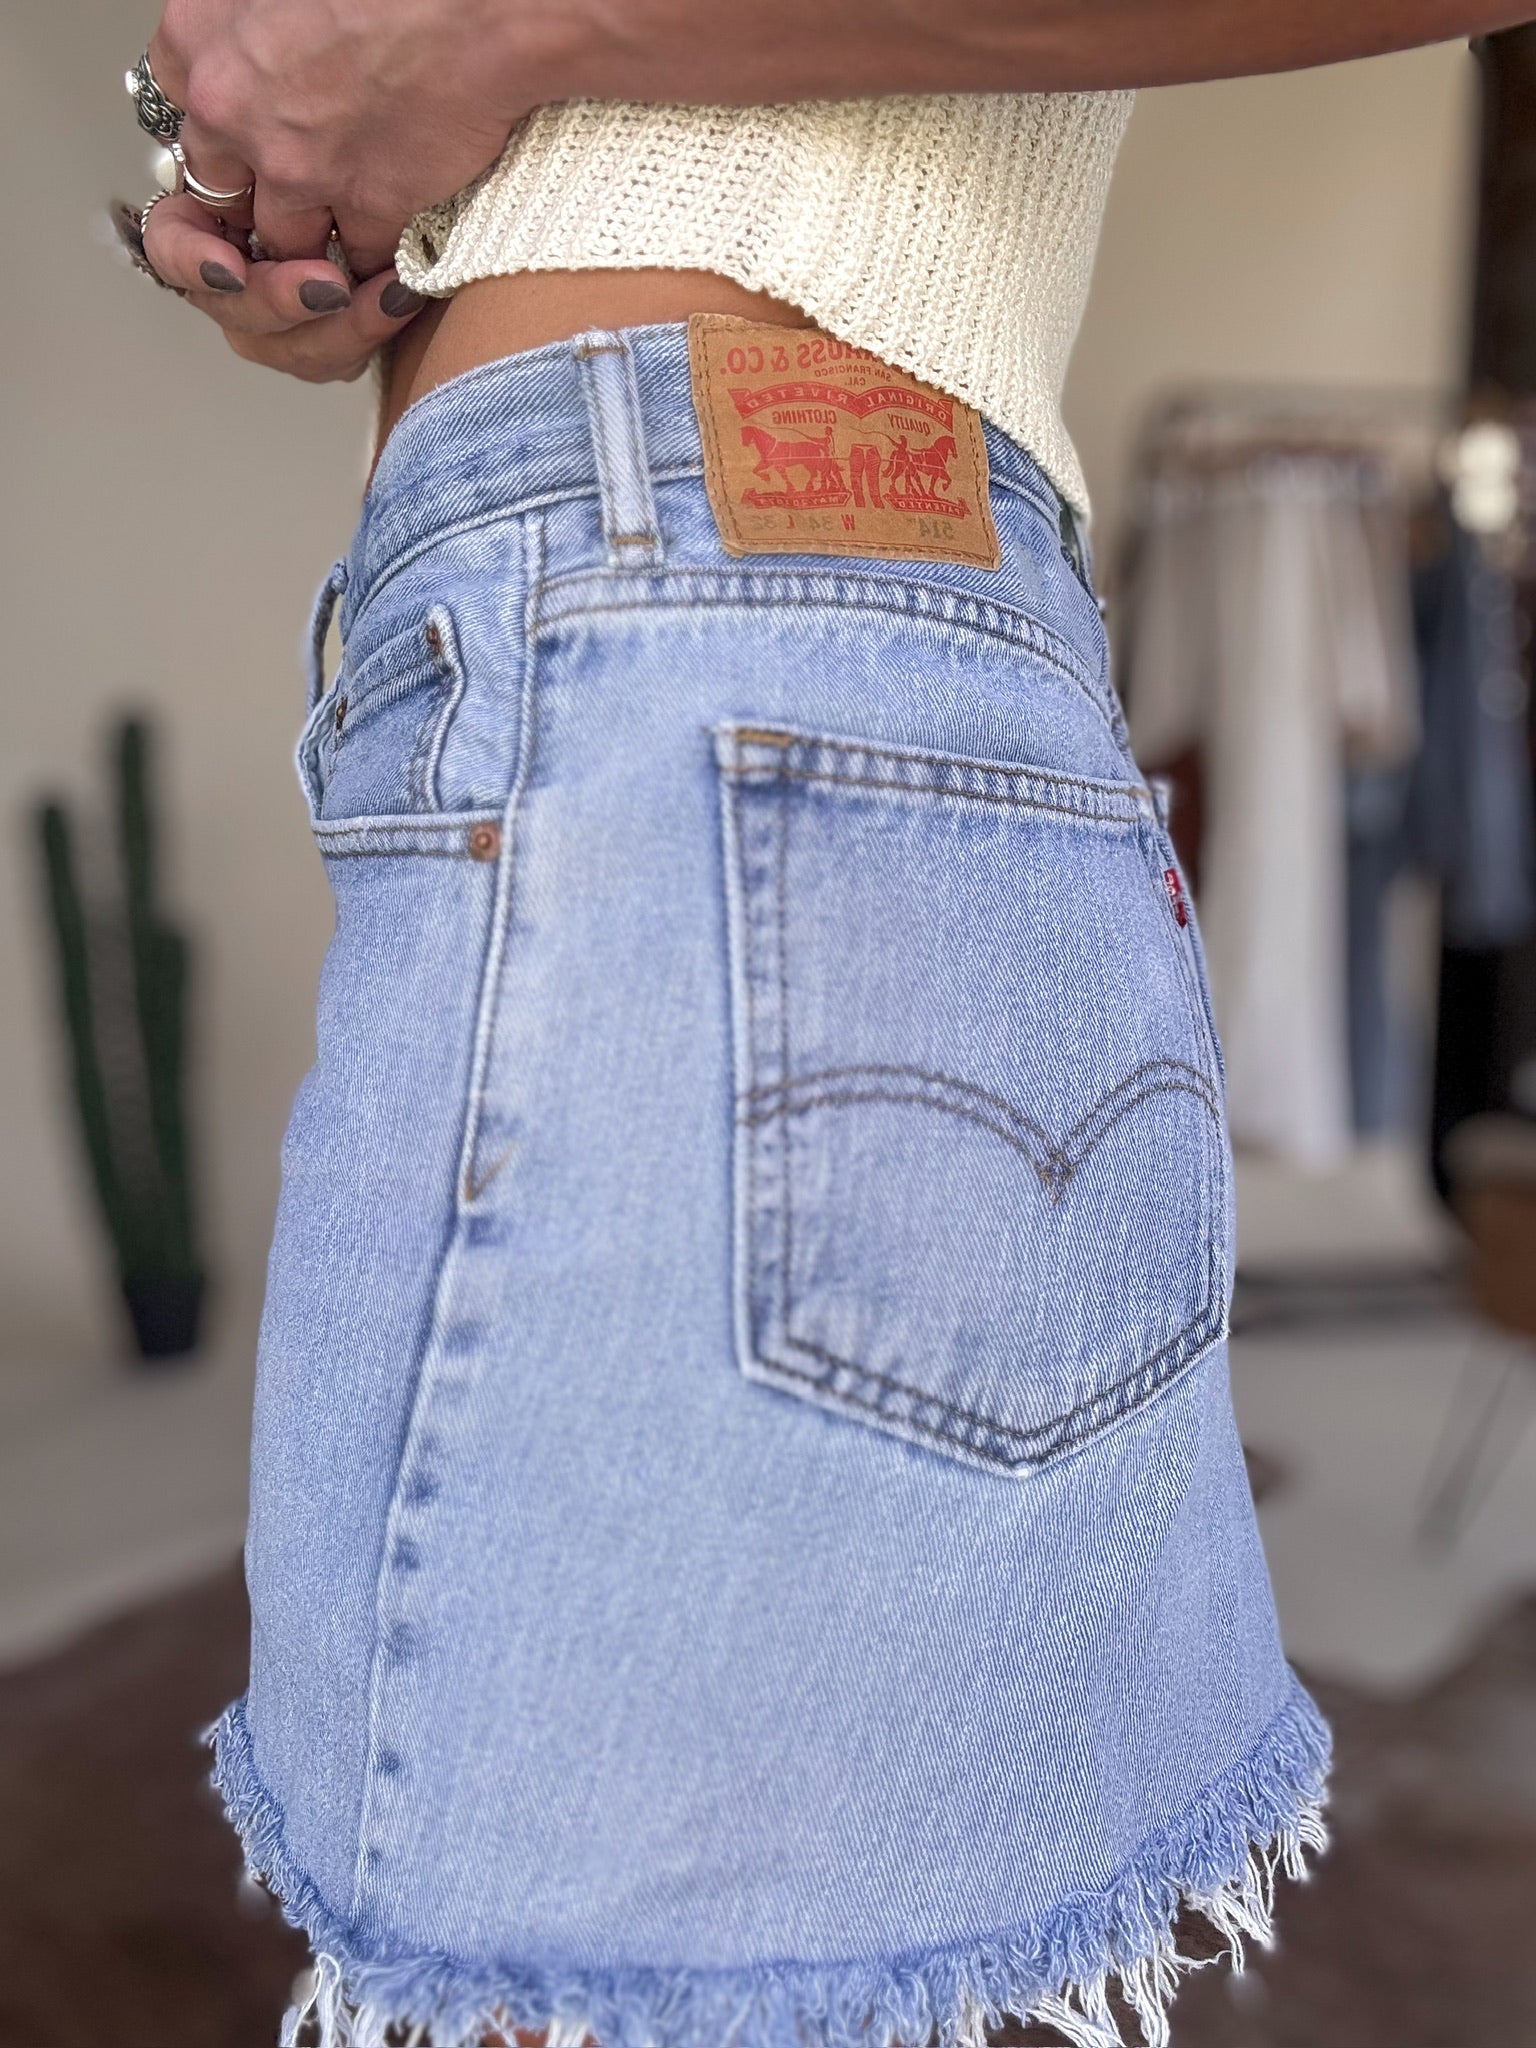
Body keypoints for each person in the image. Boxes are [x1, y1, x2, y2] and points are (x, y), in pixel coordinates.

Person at [119, 8, 1527, 2046]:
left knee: (606, 1953)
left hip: (729, 634)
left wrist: (499, 33)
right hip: (607, 634)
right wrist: (320, 178)